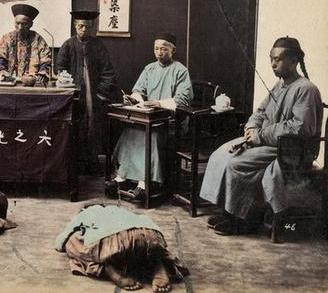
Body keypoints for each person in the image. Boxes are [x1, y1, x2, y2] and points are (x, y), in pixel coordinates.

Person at [200, 37, 323, 235]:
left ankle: (240, 220)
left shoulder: (306, 89)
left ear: (294, 61)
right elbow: (260, 111)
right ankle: (229, 211)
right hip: (268, 142)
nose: (273, 64)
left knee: (236, 164)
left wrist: (260, 135)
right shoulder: (279, 85)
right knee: (220, 154)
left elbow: (299, 129)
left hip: (290, 149)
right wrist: (251, 128)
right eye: (271, 59)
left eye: (278, 59)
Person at [112, 32, 193, 200]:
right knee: (130, 132)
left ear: (173, 50)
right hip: (148, 118)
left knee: (152, 136)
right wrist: (133, 99)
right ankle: (122, 177)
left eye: (163, 49)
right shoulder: (149, 68)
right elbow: (138, 90)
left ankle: (145, 182)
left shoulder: (180, 70)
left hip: (169, 120)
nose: (159, 52)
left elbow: (183, 99)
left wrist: (159, 103)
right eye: (156, 49)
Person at [55, 204, 188, 292]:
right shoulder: (121, 211)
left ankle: (106, 267)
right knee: (142, 247)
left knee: (72, 243)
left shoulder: (85, 214)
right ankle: (157, 263)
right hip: (150, 236)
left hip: (115, 242)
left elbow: (59, 243)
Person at [57, 10, 116, 175]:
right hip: (73, 93)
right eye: (81, 26)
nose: (84, 29)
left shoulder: (98, 45)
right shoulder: (68, 45)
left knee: (92, 127)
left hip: (93, 93)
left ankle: (92, 162)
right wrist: (66, 81)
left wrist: (101, 93)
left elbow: (108, 71)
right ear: (75, 26)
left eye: (88, 27)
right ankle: (75, 164)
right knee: (74, 126)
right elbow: (60, 68)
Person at [0, 3, 52, 86]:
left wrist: (42, 73)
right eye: (17, 23)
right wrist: (2, 71)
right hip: (10, 81)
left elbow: (46, 59)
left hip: (32, 82)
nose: (20, 27)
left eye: (24, 24)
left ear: (31, 24)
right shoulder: (7, 38)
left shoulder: (38, 39)